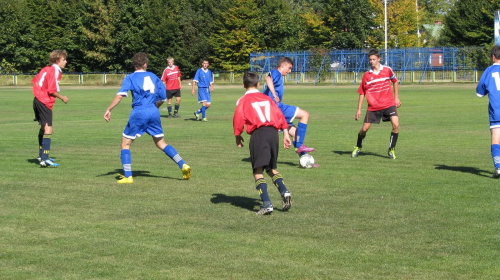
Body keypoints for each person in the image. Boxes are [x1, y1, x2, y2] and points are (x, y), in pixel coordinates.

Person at [104, 52, 191, 183]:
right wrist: (153, 108)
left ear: (134, 65)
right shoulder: (154, 77)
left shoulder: (130, 77)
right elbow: (162, 97)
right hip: (153, 111)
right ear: (145, 64)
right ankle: (183, 164)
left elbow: (120, 95)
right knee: (161, 143)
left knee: (125, 144)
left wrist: (109, 109)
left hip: (139, 112)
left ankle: (128, 176)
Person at [233, 72, 292, 215]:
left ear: (243, 85)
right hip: (273, 133)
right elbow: (279, 115)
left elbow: (238, 118)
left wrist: (237, 135)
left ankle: (266, 204)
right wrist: (285, 133)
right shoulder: (266, 98)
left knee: (257, 170)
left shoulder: (243, 100)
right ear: (258, 84)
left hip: (259, 134)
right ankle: (284, 191)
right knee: (271, 168)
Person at [262, 57, 316, 161]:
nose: (290, 71)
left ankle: (304, 158)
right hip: (276, 108)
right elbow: (268, 78)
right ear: (282, 66)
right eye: (289, 68)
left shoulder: (278, 76)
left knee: (296, 132)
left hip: (271, 110)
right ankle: (300, 146)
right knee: (305, 114)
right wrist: (273, 93)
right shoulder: (276, 73)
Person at [352, 49, 401, 159]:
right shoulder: (366, 75)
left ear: (379, 59)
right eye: (370, 60)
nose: (372, 61)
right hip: (373, 107)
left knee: (396, 125)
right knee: (364, 129)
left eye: (374, 59)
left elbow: (395, 81)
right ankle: (358, 146)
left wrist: (396, 98)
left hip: (388, 104)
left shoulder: (387, 70)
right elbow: (362, 93)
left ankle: (391, 149)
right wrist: (359, 109)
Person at [32, 50, 69, 167]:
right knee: (49, 130)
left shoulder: (46, 69)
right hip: (44, 101)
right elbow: (51, 90)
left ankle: (41, 155)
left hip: (37, 99)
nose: (65, 62)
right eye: (64, 60)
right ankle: (45, 159)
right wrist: (62, 97)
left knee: (43, 128)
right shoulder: (55, 71)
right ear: (57, 60)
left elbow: (36, 81)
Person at [477, 45, 500, 178]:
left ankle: (498, 168)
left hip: (496, 110)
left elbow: (480, 92)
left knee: (496, 139)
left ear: (493, 57)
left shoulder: (489, 70)